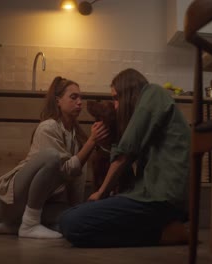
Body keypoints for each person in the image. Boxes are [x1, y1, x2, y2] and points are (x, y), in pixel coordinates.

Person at [59, 68, 190, 247]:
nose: (115, 105)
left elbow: (125, 153)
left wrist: (101, 193)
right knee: (68, 217)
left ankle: (163, 234)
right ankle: (162, 230)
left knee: (71, 223)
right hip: (151, 197)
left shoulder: (153, 93)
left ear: (128, 92)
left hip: (160, 199)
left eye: (115, 98)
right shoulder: (149, 105)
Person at [0, 76, 108, 239]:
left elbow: (76, 177)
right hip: (10, 201)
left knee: (68, 222)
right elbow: (67, 169)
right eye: (73, 97)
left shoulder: (75, 137)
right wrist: (92, 141)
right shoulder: (48, 127)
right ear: (58, 101)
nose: (80, 102)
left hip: (37, 204)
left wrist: (75, 211)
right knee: (51, 157)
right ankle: (29, 224)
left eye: (81, 98)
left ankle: (15, 225)